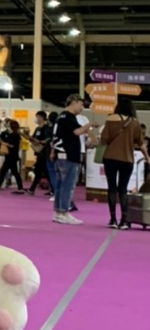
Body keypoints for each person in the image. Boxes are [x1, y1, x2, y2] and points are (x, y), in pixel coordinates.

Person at [100, 97, 149, 229]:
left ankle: (113, 219)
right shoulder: (135, 123)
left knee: (111, 188)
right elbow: (141, 143)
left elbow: (104, 139)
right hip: (127, 159)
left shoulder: (110, 119)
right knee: (123, 189)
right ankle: (125, 221)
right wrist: (147, 157)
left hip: (110, 158)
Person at [50, 94, 93, 224]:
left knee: (60, 185)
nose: (82, 108)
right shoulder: (69, 117)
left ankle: (58, 212)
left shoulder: (60, 117)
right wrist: (90, 125)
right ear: (73, 103)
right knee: (67, 186)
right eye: (81, 105)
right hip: (69, 156)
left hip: (60, 155)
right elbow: (77, 132)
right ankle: (64, 212)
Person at [0, 119, 25, 193]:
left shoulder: (16, 135)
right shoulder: (8, 134)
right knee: (7, 171)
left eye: (9, 123)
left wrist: (2, 142)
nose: (8, 124)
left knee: (12, 172)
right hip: (8, 156)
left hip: (13, 156)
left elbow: (13, 146)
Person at [27, 111, 52, 195]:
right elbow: (32, 138)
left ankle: (32, 189)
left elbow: (48, 139)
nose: (36, 119)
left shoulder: (46, 128)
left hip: (44, 153)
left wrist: (40, 142)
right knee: (41, 172)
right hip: (38, 153)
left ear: (42, 118)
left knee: (42, 171)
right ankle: (53, 189)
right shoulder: (37, 129)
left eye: (37, 117)